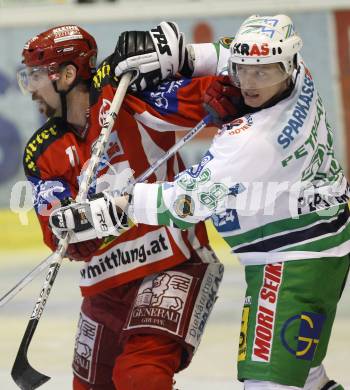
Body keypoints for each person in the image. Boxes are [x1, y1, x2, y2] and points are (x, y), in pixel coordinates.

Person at [52, 15, 350, 390]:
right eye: (245, 71)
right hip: (326, 237)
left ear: (287, 67)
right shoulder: (299, 73)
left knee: (267, 384)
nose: (251, 84)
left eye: (265, 74)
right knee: (306, 377)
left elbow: (184, 202)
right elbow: (226, 54)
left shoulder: (253, 142)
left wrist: (117, 206)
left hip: (292, 264)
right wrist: (182, 57)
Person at [17, 23, 231, 390]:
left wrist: (181, 58)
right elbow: (62, 242)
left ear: (67, 75)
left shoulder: (128, 95)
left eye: (37, 75)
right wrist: (78, 223)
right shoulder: (42, 152)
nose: (31, 88)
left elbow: (228, 91)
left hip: (174, 263)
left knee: (140, 377)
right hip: (106, 285)